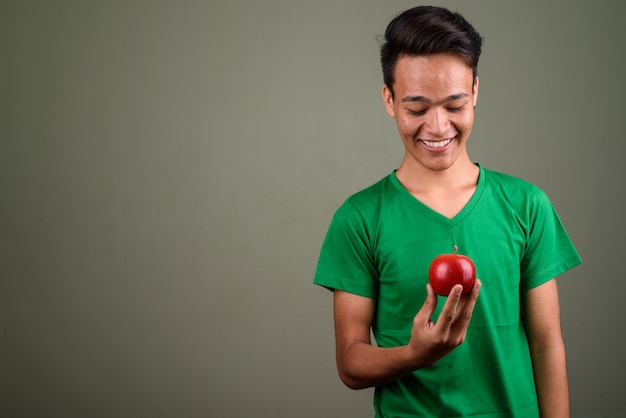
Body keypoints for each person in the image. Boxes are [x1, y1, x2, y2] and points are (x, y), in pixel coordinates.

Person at [313, 5, 582, 417]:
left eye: (454, 105)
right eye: (417, 109)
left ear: (475, 91)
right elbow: (350, 362)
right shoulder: (360, 219)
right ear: (389, 99)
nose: (438, 127)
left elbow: (547, 343)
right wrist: (414, 354)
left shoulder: (527, 205)